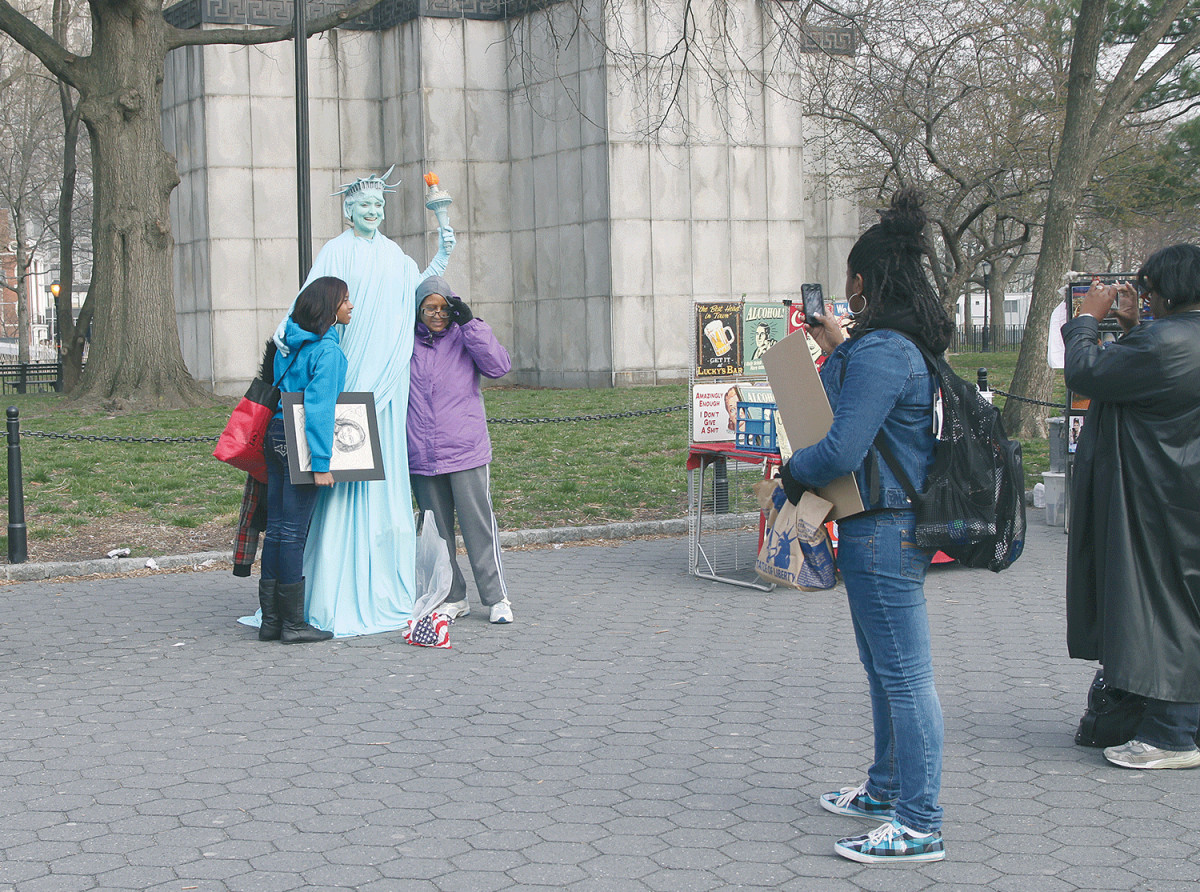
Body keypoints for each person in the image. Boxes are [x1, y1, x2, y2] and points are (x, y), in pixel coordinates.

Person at [780, 188, 953, 864]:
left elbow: (840, 450)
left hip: (883, 529)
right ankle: (886, 791)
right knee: (887, 670)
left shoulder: (884, 354)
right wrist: (837, 344)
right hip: (879, 525)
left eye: (850, 279)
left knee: (905, 677)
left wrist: (794, 471)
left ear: (861, 280)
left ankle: (919, 822)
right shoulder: (892, 347)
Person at [273, 168, 456, 637]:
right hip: (348, 373)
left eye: (378, 206)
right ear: (348, 210)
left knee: (374, 476)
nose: (372, 212)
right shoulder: (336, 250)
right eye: (364, 207)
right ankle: (318, 592)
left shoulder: (395, 254)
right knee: (332, 482)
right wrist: (286, 326)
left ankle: (288, 611)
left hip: (386, 381)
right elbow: (311, 294)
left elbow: (418, 283)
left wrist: (443, 245)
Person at [1063, 244, 1200, 770]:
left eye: (1147, 291)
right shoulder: (1171, 338)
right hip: (1181, 487)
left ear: (1165, 292)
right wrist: (1133, 327)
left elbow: (1086, 373)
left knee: (1162, 605)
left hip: (1158, 496)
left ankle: (1171, 734)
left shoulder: (1167, 342)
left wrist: (1086, 321)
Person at [407, 276, 514, 624]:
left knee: (478, 526)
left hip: (464, 449)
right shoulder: (406, 341)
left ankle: (496, 597)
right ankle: (453, 596)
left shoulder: (465, 334)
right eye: (429, 309)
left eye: (443, 308)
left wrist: (469, 324)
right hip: (422, 453)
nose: (437, 315)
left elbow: (499, 366)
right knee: (436, 533)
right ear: (418, 310)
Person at [259, 276, 352, 644]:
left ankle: (271, 621)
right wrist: (322, 463)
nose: (350, 307)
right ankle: (294, 625)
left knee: (278, 529)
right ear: (330, 308)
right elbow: (319, 410)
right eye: (345, 301)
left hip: (274, 434)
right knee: (294, 532)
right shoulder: (327, 351)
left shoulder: (291, 343)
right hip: (300, 442)